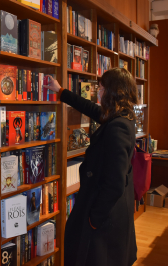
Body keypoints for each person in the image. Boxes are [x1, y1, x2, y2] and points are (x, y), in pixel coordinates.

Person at [44, 68, 138, 266]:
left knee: (96, 258)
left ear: (114, 92)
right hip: (112, 210)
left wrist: (95, 218)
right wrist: (61, 92)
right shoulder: (123, 117)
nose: (99, 93)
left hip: (106, 216)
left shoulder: (117, 127)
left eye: (102, 89)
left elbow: (115, 183)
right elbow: (92, 109)